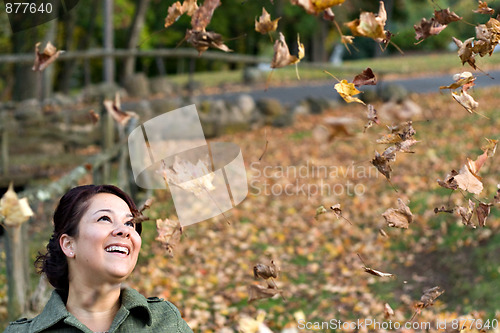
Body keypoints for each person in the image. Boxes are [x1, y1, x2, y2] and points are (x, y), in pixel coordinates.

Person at [4, 185, 193, 333]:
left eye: (129, 223)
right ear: (69, 245)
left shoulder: (166, 321)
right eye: (104, 218)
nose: (125, 230)